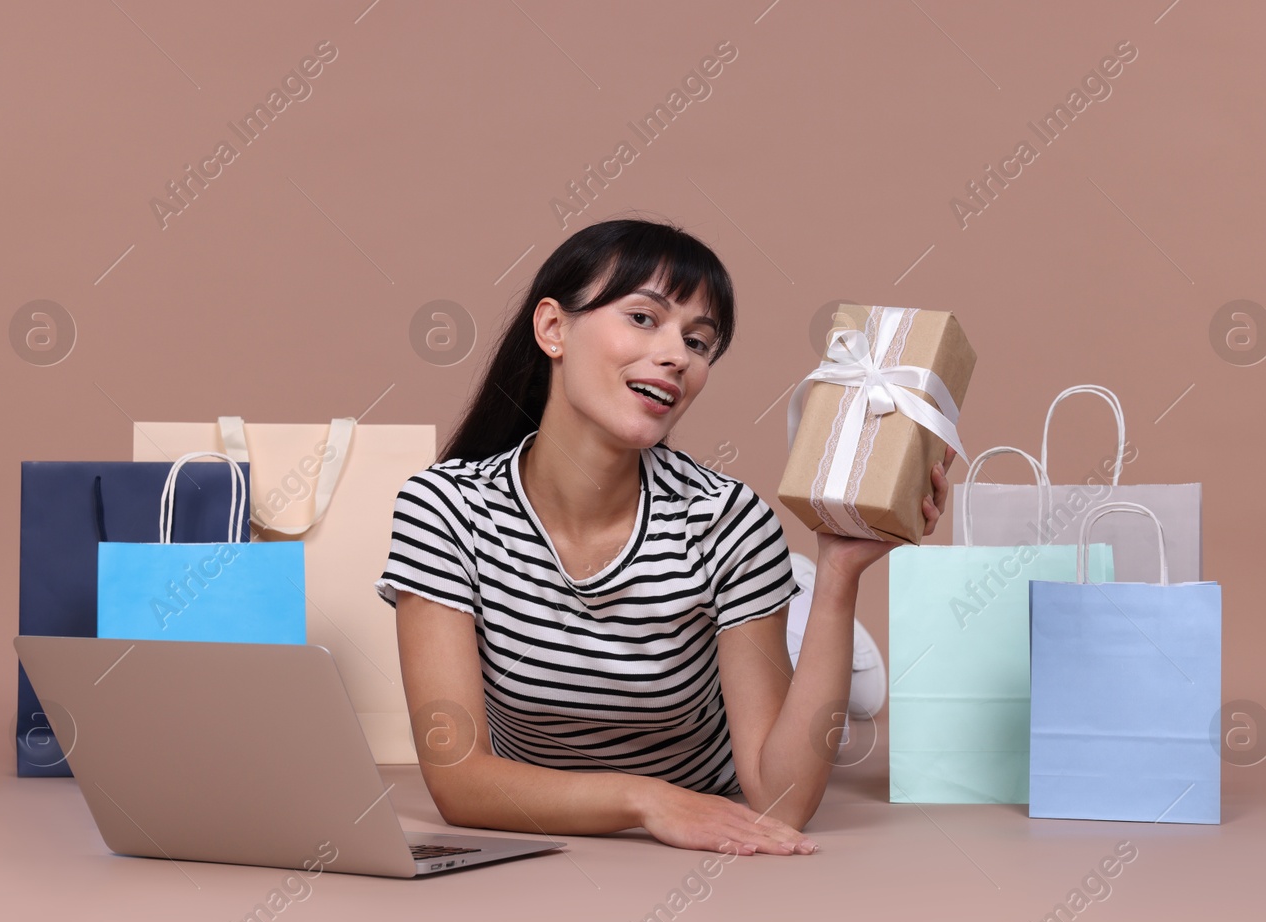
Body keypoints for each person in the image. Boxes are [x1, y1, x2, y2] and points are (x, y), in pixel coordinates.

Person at [375, 217, 953, 856]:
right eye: (644, 318)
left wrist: (841, 573)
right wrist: (646, 799)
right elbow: (460, 784)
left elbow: (782, 800)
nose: (678, 355)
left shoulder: (731, 520)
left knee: (839, 678)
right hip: (643, 779)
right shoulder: (445, 508)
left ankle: (800, 591)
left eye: (700, 342)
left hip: (713, 697)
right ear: (552, 327)